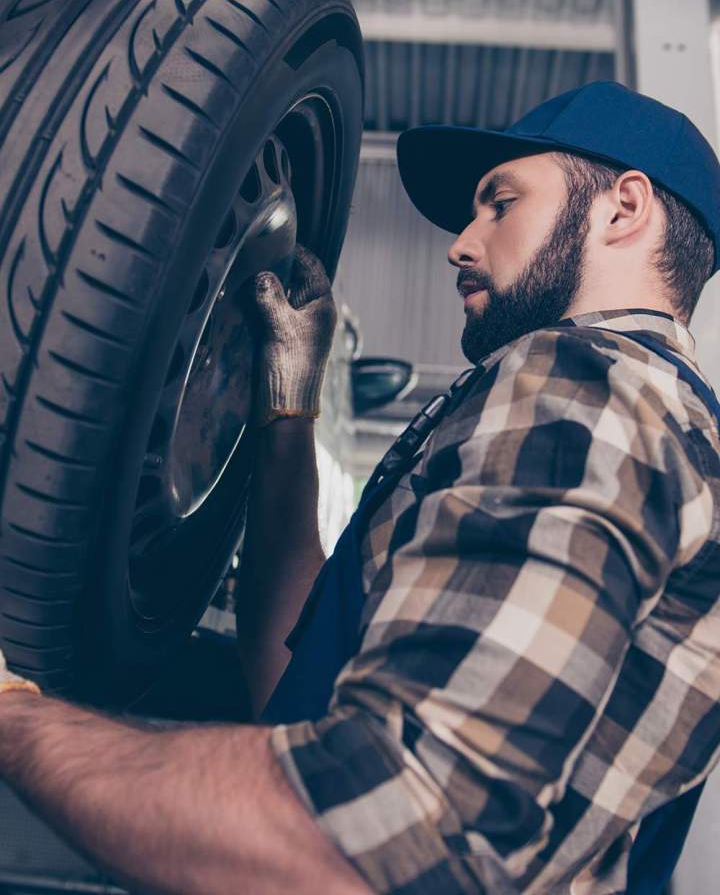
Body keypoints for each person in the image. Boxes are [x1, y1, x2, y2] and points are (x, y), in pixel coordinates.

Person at [1, 80, 719, 894]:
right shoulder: (641, 417)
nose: (460, 242)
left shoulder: (588, 386)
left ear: (622, 209)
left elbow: (387, 831)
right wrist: (286, 414)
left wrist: (14, 717)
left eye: (499, 202)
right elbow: (297, 688)